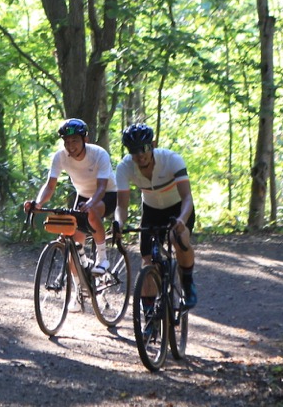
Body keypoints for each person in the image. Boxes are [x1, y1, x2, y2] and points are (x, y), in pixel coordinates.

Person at [113, 123, 197, 310]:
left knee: (179, 239)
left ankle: (188, 283)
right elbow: (122, 206)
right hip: (151, 211)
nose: (140, 155)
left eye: (143, 148)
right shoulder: (125, 167)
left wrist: (182, 220)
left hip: (178, 209)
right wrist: (118, 223)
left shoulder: (171, 160)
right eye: (134, 151)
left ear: (153, 145)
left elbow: (187, 197)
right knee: (148, 261)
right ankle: (149, 313)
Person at [23, 118, 115, 273]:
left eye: (75, 141)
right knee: (72, 244)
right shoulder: (60, 157)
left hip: (107, 195)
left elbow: (101, 188)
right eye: (67, 142)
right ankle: (81, 289)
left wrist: (91, 203)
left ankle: (102, 259)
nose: (70, 146)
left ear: (85, 139)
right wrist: (37, 204)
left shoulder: (99, 154)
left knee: (92, 213)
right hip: (83, 196)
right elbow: (50, 186)